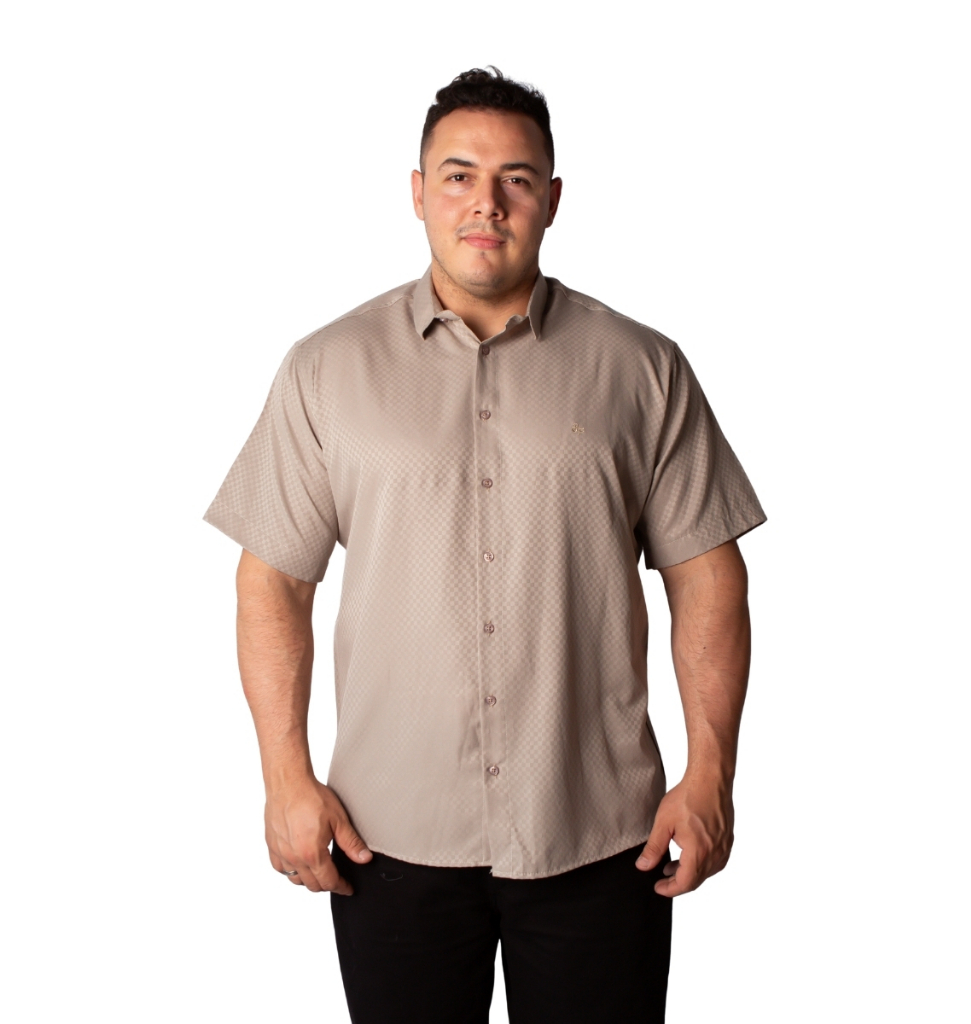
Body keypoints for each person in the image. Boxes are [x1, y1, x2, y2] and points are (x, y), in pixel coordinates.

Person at [203, 66, 766, 1024]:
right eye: (458, 175)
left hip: (599, 834)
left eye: (516, 179)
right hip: (388, 837)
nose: (486, 203)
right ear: (417, 192)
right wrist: (284, 778)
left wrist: (711, 770)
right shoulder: (326, 369)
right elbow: (272, 584)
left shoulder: (643, 368)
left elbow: (708, 577)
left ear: (554, 198)